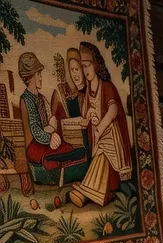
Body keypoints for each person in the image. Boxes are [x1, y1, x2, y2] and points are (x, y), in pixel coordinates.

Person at [70, 41, 132, 207]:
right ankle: (89, 192)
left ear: (96, 64)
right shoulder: (89, 91)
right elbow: (86, 115)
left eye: (88, 65)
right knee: (99, 156)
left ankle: (84, 193)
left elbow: (113, 110)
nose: (85, 70)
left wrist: (99, 128)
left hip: (111, 135)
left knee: (102, 153)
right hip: (99, 137)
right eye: (82, 67)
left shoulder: (107, 86)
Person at [16, 52, 85, 183]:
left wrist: (52, 129)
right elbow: (36, 131)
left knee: (67, 148)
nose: (41, 78)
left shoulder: (41, 98)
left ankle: (67, 156)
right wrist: (50, 135)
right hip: (34, 146)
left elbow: (49, 123)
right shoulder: (26, 100)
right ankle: (63, 161)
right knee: (50, 157)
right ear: (30, 77)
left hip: (45, 141)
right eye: (38, 74)